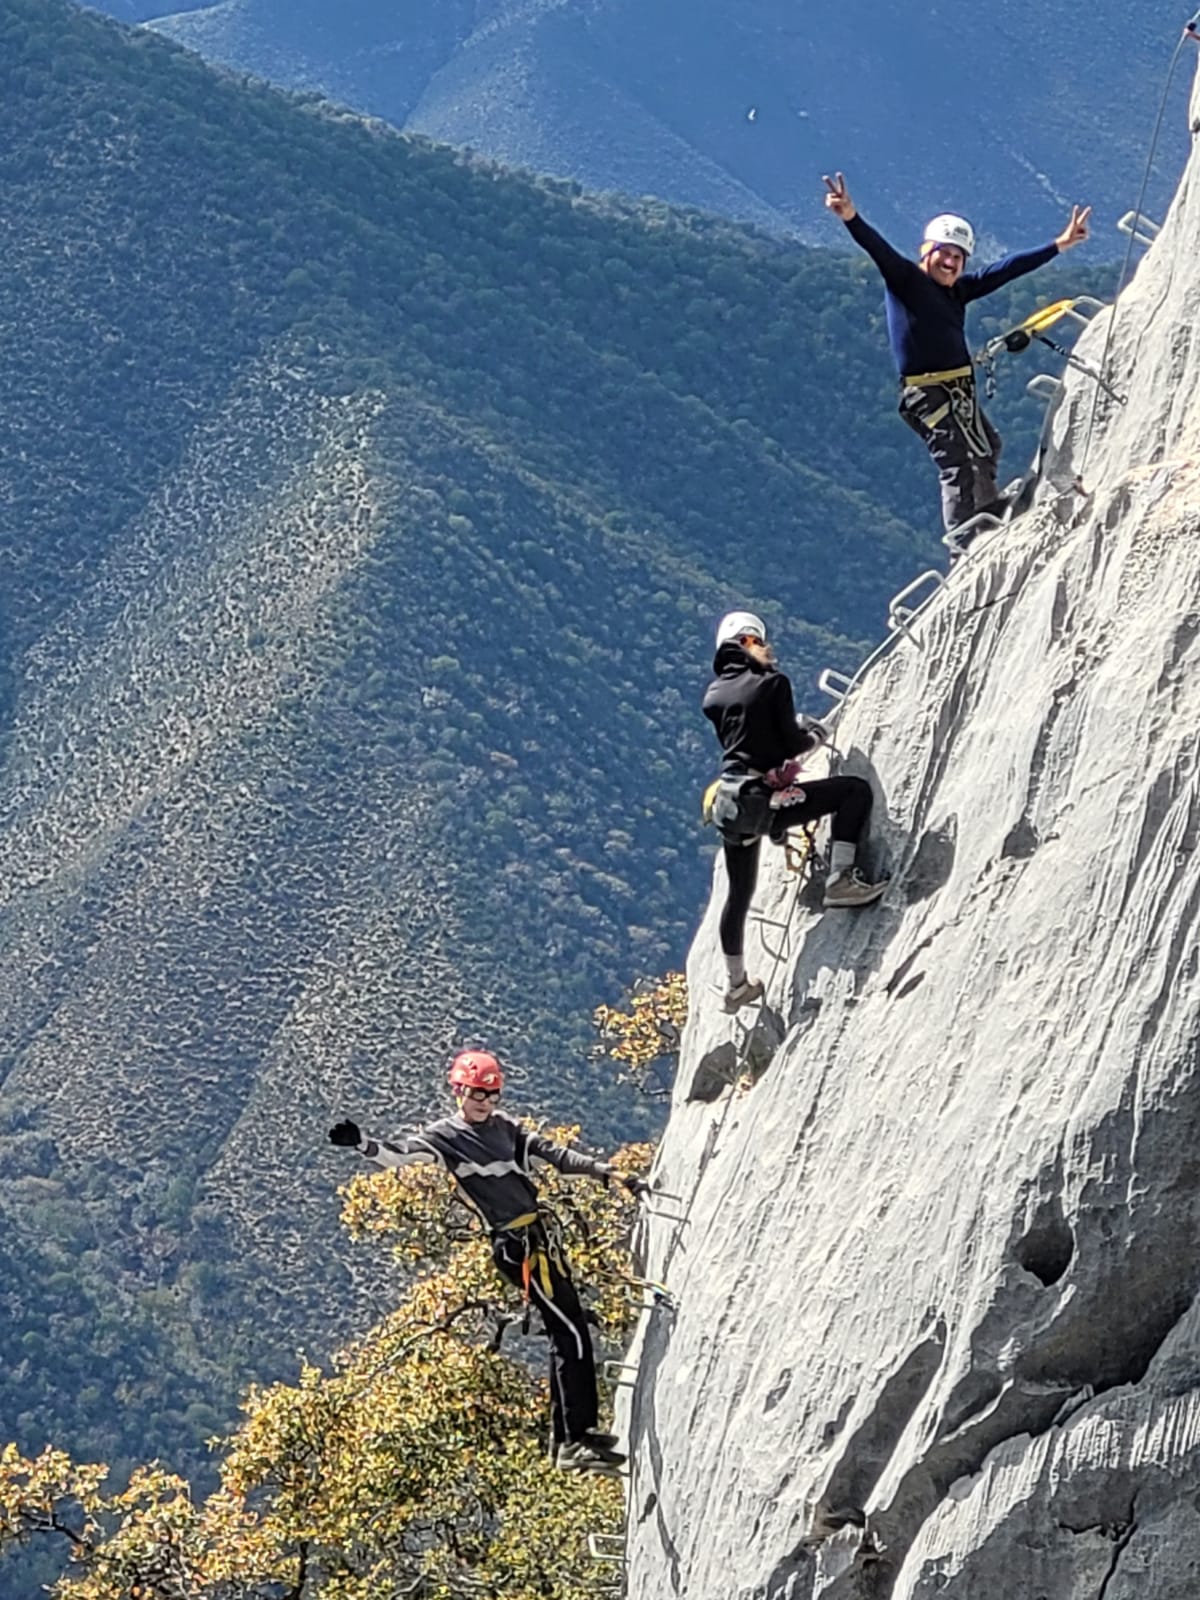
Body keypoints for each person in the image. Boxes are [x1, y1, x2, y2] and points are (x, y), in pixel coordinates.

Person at [328, 1048, 648, 1474]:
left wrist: (609, 1173)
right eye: (478, 1093)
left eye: (492, 1094)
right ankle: (575, 1440)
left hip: (538, 1241)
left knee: (565, 1330)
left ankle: (569, 1439)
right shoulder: (446, 1138)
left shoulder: (507, 1130)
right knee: (570, 1330)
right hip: (517, 1249)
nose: (485, 1102)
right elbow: (400, 1155)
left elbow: (555, 1155)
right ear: (458, 1089)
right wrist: (363, 1145)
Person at [822, 172, 1091, 538]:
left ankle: (985, 514)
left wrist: (1058, 245)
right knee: (957, 462)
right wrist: (851, 216)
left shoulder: (957, 292)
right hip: (926, 394)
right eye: (944, 254)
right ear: (926, 253)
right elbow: (879, 250)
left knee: (987, 446)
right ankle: (963, 540)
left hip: (956, 391)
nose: (950, 263)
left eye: (957, 257)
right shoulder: (907, 282)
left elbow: (1005, 270)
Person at [703, 611, 887, 1011]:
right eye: (758, 642)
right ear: (751, 643)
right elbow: (789, 744)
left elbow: (747, 744)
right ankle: (841, 879)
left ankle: (736, 983)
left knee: (738, 894)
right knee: (853, 792)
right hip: (763, 800)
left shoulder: (714, 695)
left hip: (730, 802)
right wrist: (814, 736)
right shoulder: (772, 683)